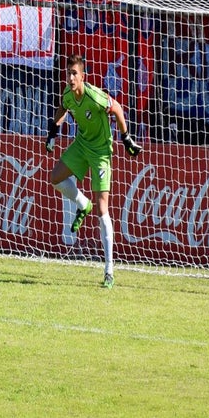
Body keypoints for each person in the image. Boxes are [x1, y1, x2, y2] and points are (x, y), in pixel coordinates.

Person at [46, 53, 141, 288]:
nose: (70, 77)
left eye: (74, 73)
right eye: (68, 73)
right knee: (55, 177)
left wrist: (126, 137)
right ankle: (82, 204)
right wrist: (53, 131)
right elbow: (62, 108)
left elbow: (117, 107)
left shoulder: (94, 96)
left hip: (100, 152)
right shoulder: (69, 95)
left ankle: (109, 270)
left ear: (82, 76)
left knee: (102, 208)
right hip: (81, 145)